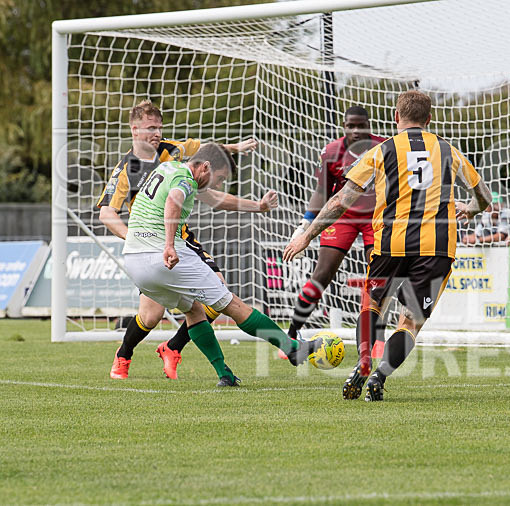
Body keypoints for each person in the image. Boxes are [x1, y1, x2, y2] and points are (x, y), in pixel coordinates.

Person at [283, 90, 492, 401]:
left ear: (396, 117)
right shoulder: (449, 151)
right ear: (429, 119)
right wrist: (472, 209)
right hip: (437, 248)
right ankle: (380, 375)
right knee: (409, 322)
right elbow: (484, 197)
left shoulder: (381, 151)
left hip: (390, 244)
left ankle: (364, 360)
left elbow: (341, 200)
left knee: (371, 306)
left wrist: (307, 234)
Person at [122, 144, 319, 387]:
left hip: (133, 260)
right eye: (220, 178)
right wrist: (170, 245)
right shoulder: (185, 180)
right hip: (160, 255)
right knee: (232, 304)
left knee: (194, 311)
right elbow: (174, 202)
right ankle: (292, 348)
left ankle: (224, 374)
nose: (218, 184)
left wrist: (258, 206)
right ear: (205, 167)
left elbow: (216, 199)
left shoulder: (168, 168)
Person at [97, 100, 260, 380]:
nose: (156, 133)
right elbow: (106, 213)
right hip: (149, 246)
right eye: (150, 128)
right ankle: (124, 354)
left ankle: (174, 347)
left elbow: (206, 149)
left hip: (182, 239)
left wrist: (233, 148)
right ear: (134, 130)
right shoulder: (126, 169)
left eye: (159, 127)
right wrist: (133, 236)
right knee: (150, 317)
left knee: (217, 294)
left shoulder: (173, 150)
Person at [287, 106, 385, 342]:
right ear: (343, 126)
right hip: (342, 216)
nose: (356, 130)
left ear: (369, 125)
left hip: (375, 217)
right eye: (350, 125)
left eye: (361, 125)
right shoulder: (331, 151)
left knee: (377, 276)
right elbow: (321, 192)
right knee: (322, 273)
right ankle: (292, 333)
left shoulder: (384, 147)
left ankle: (375, 339)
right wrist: (304, 226)